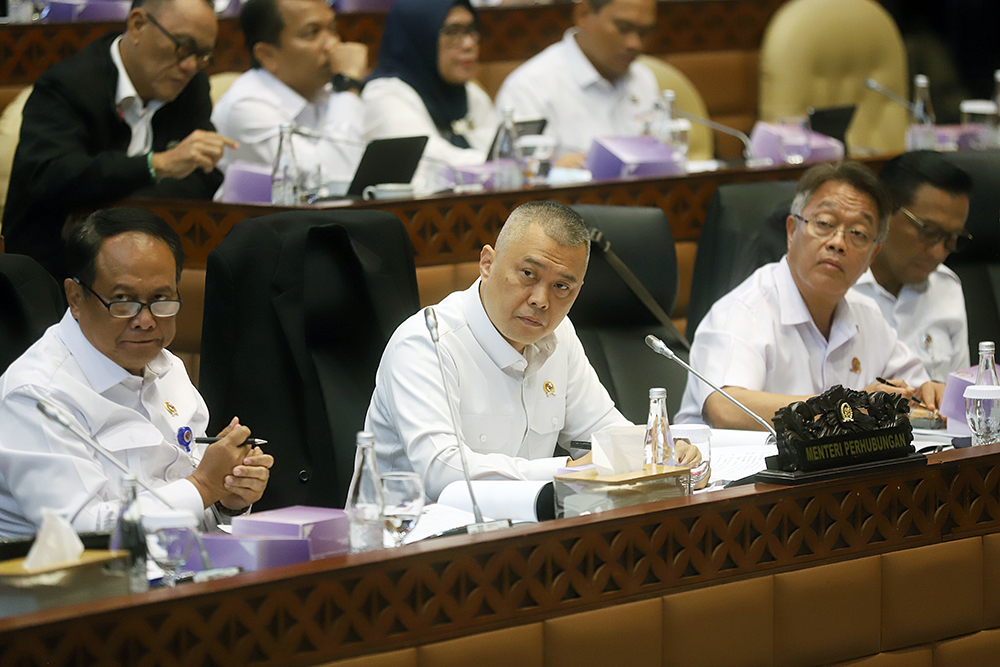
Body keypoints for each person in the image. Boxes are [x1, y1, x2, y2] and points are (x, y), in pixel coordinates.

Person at [366, 200, 697, 501]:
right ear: (487, 263)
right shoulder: (426, 342)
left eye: (561, 287)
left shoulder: (559, 335)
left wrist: (661, 450)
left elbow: (604, 427)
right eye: (528, 274)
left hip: (522, 533)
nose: (541, 299)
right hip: (412, 543)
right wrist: (569, 468)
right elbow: (440, 473)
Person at [0, 208, 273, 539]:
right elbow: (79, 533)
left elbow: (193, 508)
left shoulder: (167, 366)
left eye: (161, 299)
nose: (146, 320)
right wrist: (203, 486)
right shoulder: (37, 394)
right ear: (75, 297)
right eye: (123, 301)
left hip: (178, 571)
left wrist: (227, 498)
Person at [676, 161, 945, 430]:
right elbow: (725, 407)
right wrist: (848, 408)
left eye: (858, 234)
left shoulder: (867, 315)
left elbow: (915, 393)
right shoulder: (745, 310)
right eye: (825, 224)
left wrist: (928, 394)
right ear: (792, 231)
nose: (838, 242)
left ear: (872, 255)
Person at [2, 0, 237, 283]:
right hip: (50, 272)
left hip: (146, 267)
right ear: (137, 25)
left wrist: (109, 214)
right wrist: (156, 165)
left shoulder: (190, 85)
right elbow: (52, 175)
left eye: (202, 55)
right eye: (183, 47)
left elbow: (202, 175)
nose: (190, 66)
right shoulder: (67, 86)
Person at [212, 0, 368, 184]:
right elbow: (333, 180)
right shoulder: (246, 106)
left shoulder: (326, 89)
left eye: (332, 29)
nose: (333, 44)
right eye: (312, 32)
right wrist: (347, 85)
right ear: (267, 55)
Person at [850, 151, 972, 381]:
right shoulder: (837, 288)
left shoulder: (946, 289)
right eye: (928, 231)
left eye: (952, 238)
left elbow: (960, 401)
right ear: (882, 211)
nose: (938, 252)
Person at [494, 0, 660, 168]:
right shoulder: (529, 87)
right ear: (583, 14)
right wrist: (557, 169)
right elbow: (520, 178)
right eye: (623, 28)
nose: (635, 44)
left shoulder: (643, 78)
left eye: (644, 32)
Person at [362, 0, 498, 174]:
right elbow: (431, 163)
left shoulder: (470, 92)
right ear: (420, 36)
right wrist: (504, 166)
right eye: (452, 32)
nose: (469, 44)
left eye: (471, 30)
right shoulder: (383, 96)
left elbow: (500, 149)